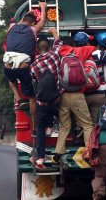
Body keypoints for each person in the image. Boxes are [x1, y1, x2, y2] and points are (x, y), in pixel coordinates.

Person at [3, 2, 47, 131]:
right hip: (24, 68)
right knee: (32, 98)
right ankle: (35, 127)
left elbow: (23, 20)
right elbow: (43, 20)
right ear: (33, 23)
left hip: (8, 67)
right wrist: (43, 8)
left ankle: (19, 99)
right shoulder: (33, 29)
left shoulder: (11, 27)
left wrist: (28, 11)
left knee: (11, 80)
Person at [52, 35, 96, 164]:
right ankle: (88, 153)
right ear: (73, 44)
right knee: (87, 124)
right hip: (78, 95)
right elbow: (92, 48)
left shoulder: (57, 54)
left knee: (65, 126)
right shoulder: (78, 51)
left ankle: (58, 154)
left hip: (63, 95)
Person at [29, 28, 62, 166]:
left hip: (42, 103)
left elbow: (37, 85)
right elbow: (59, 43)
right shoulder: (54, 56)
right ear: (49, 48)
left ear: (36, 50)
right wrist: (54, 31)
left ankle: (40, 157)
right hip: (57, 100)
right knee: (61, 117)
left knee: (40, 129)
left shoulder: (33, 67)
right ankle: (52, 127)